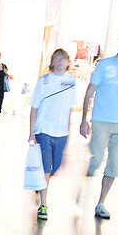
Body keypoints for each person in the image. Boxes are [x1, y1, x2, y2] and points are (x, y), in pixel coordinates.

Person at [79, 31, 118, 220]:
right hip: (101, 120)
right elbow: (89, 92)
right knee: (95, 161)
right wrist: (83, 120)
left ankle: (101, 203)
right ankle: (81, 186)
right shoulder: (104, 65)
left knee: (114, 165)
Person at [28, 48, 76, 221]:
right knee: (46, 168)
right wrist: (31, 132)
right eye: (57, 59)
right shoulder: (44, 81)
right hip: (44, 130)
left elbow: (70, 109)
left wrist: (69, 133)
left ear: (68, 62)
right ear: (52, 62)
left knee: (55, 168)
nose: (61, 62)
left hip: (61, 132)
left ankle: (40, 185)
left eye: (64, 59)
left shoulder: (71, 82)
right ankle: (43, 205)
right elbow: (34, 107)